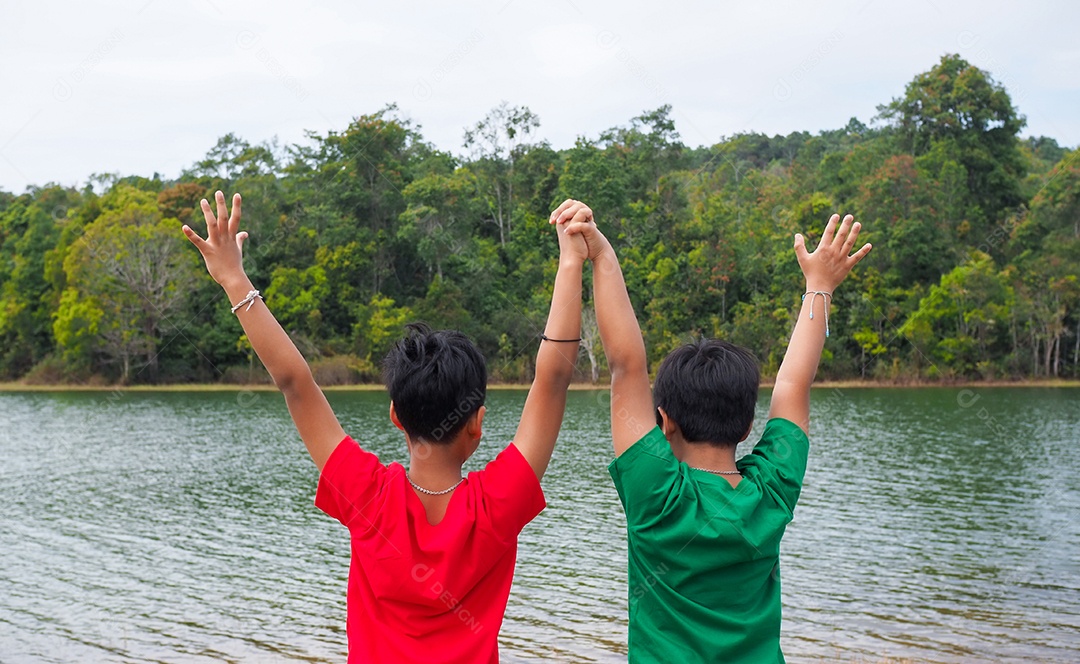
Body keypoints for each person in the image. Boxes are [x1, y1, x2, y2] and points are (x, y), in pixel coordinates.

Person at [183, 192, 596, 663]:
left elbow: (295, 383)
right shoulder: (497, 505)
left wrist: (234, 279)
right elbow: (554, 378)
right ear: (477, 424)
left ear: (396, 415)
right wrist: (571, 261)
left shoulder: (368, 498)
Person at [553, 204, 872, 663]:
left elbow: (626, 364)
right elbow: (792, 384)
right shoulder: (770, 494)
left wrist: (602, 255)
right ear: (747, 427)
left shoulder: (657, 498)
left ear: (665, 421)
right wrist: (819, 286)